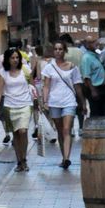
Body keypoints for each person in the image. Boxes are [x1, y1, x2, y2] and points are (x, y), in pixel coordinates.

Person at [42, 40, 86, 169]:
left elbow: (77, 86)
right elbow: (46, 86)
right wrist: (45, 101)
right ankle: (63, 157)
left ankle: (67, 158)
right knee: (60, 131)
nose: (58, 51)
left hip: (69, 101)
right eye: (56, 49)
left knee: (67, 130)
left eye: (60, 49)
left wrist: (82, 102)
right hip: (54, 101)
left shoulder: (73, 67)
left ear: (65, 51)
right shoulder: (49, 67)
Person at [0, 46, 33, 172]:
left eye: (17, 57)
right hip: (10, 106)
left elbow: (31, 85)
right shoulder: (3, 73)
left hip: (25, 104)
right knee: (15, 134)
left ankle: (24, 158)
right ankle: (19, 161)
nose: (15, 60)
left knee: (23, 131)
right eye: (12, 58)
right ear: (7, 59)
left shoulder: (25, 70)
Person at [80, 36, 105, 116]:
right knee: (96, 112)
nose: (96, 43)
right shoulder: (86, 58)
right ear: (87, 45)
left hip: (102, 87)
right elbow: (86, 76)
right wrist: (93, 90)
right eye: (92, 42)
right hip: (94, 88)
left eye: (96, 41)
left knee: (103, 111)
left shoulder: (95, 55)